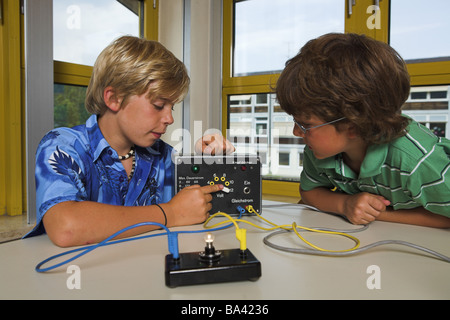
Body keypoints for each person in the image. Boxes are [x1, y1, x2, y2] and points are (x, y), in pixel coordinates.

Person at [25, 36, 234, 247]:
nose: (170, 119)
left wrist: (213, 163)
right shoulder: (62, 146)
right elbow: (66, 228)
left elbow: (197, 206)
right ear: (114, 98)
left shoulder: (163, 156)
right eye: (159, 105)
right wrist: (169, 213)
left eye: (173, 107)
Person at [276, 33, 450, 228]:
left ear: (354, 126)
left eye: (305, 125)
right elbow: (309, 192)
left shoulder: (418, 160)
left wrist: (375, 214)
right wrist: (345, 204)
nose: (296, 132)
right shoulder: (320, 148)